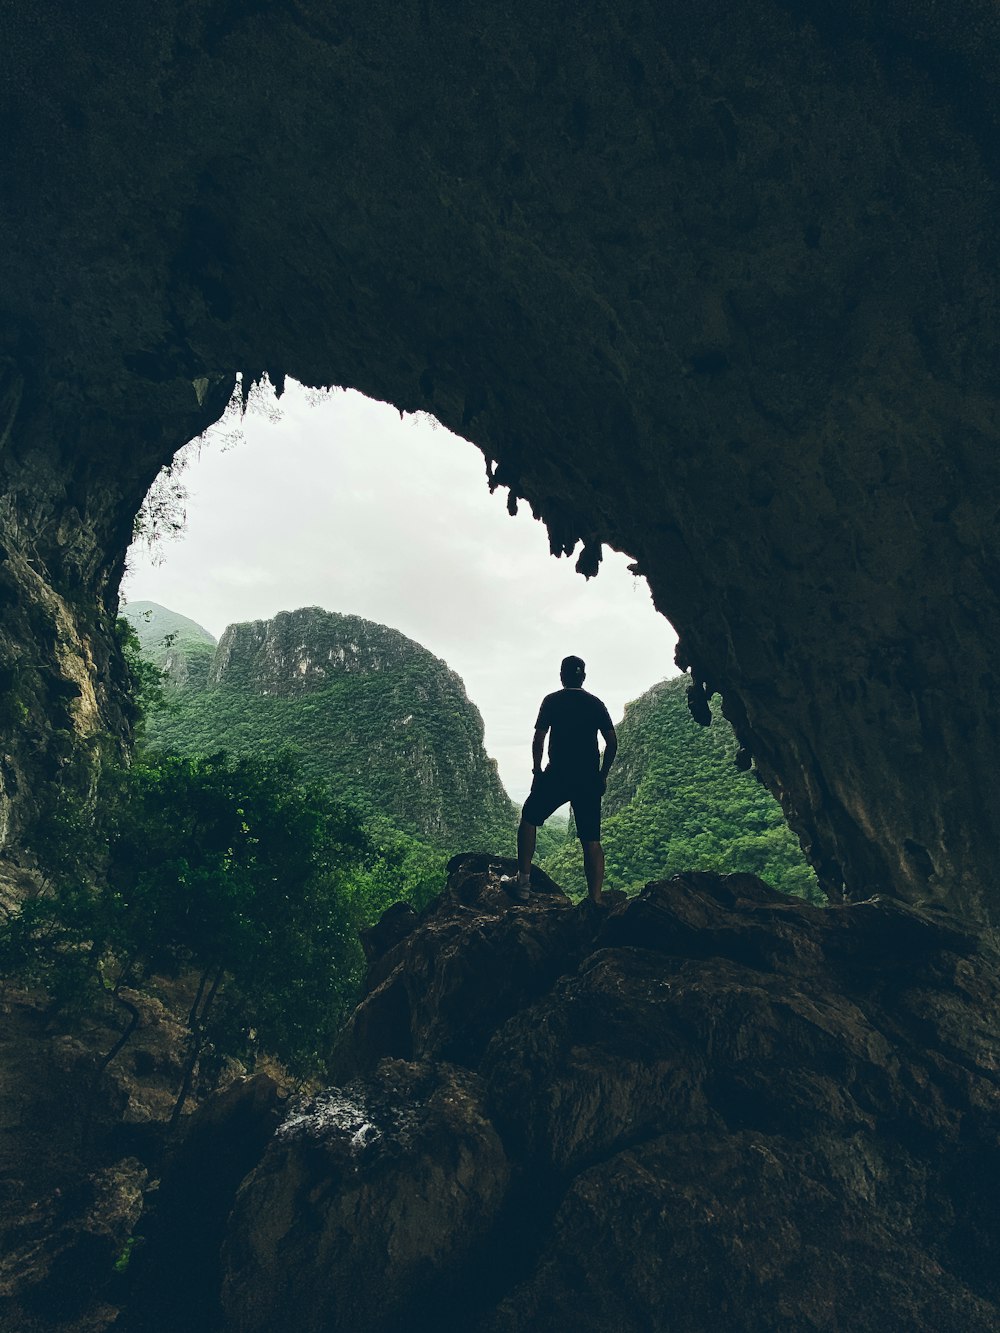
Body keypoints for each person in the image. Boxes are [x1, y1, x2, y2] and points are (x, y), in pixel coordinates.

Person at [505, 655, 617, 905]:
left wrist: (536, 771)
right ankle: (596, 899)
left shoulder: (552, 701)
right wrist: (602, 776)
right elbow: (612, 742)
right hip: (588, 778)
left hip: (558, 774)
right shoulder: (596, 704)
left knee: (529, 818)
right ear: (583, 677)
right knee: (592, 839)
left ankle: (522, 884)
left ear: (562, 676)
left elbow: (539, 738)